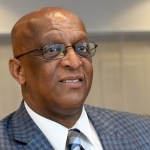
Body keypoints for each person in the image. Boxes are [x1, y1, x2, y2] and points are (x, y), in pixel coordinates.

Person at [0, 6, 150, 150]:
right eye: (52, 49)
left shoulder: (143, 131)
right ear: (19, 71)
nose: (75, 62)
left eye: (82, 48)